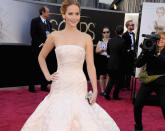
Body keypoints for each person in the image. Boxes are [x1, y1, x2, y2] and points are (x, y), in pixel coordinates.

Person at [21, 0, 120, 130]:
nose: (74, 17)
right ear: (63, 15)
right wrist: (47, 75)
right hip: (60, 84)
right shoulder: (54, 36)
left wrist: (95, 90)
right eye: (71, 13)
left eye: (77, 13)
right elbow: (41, 56)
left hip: (79, 84)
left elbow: (90, 65)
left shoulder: (86, 38)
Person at [133, 32, 165, 131]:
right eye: (159, 38)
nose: (160, 40)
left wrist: (157, 53)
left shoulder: (158, 51)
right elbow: (138, 64)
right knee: (137, 103)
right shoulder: (149, 49)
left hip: (162, 82)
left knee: (164, 106)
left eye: (163, 38)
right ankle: (138, 127)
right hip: (148, 80)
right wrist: (144, 51)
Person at [29, 6, 52, 93]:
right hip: (37, 48)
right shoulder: (35, 21)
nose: (49, 13)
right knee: (34, 67)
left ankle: (44, 86)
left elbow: (50, 35)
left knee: (45, 67)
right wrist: (40, 43)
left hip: (46, 49)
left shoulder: (49, 23)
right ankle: (31, 87)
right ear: (43, 12)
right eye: (47, 12)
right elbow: (33, 34)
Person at [104, 25, 125, 100]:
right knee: (118, 81)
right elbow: (123, 54)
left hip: (110, 63)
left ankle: (106, 92)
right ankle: (115, 95)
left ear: (115, 32)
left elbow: (108, 52)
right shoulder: (123, 41)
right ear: (122, 32)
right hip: (118, 64)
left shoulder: (110, 40)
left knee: (111, 79)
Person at [122, 20, 137, 90]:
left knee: (130, 71)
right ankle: (123, 85)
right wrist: (127, 50)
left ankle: (128, 85)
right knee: (125, 71)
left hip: (132, 55)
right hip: (126, 56)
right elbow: (123, 46)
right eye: (132, 25)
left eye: (133, 25)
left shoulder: (133, 34)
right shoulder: (124, 35)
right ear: (128, 26)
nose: (133, 26)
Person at [95, 26, 110, 96]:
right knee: (101, 76)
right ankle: (102, 90)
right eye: (104, 32)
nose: (106, 33)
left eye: (107, 32)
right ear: (102, 34)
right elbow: (96, 51)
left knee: (108, 75)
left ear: (109, 33)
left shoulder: (111, 41)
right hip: (102, 59)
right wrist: (103, 49)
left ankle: (106, 90)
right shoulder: (100, 42)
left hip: (110, 59)